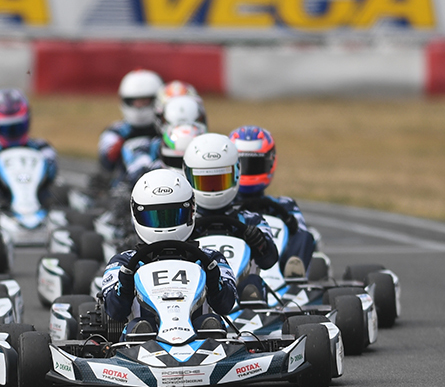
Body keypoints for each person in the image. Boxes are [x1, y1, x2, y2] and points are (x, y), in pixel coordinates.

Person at [100, 168, 238, 331]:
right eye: (154, 217)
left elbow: (226, 305)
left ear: (191, 211)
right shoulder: (124, 263)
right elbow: (115, 311)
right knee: (138, 327)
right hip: (140, 344)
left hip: (202, 341)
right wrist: (125, 283)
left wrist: (215, 281)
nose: (164, 226)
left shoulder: (210, 259)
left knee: (211, 323)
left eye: (173, 215)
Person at [182, 134, 279, 290]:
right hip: (198, 298)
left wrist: (259, 242)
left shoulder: (250, 220)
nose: (213, 189)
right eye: (205, 182)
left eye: (220, 180)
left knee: (253, 282)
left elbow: (269, 261)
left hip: (246, 301)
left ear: (236, 173)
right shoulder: (183, 223)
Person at [229, 125, 316, 278]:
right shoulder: (224, 209)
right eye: (243, 165)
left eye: (254, 165)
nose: (249, 170)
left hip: (277, 273)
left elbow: (301, 236)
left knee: (305, 235)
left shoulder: (284, 206)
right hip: (236, 273)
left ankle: (294, 273)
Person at [0, 89, 58, 212]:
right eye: (7, 127)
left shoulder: (40, 146)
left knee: (59, 191)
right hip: (1, 203)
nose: (12, 132)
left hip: (37, 198)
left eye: (16, 126)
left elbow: (52, 171)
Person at [97, 69, 164, 179]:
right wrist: (117, 148)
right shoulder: (116, 131)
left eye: (145, 101)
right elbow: (106, 162)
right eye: (135, 102)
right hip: (127, 186)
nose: (139, 106)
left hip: (164, 179)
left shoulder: (165, 130)